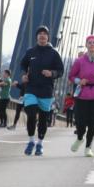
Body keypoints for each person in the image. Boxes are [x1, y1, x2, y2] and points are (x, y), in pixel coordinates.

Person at [19, 25, 64, 156]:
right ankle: (31, 141)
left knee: (43, 119)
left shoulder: (54, 53)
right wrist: (24, 74)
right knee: (31, 114)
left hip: (46, 90)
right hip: (31, 88)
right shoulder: (30, 52)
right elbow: (22, 64)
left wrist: (51, 73)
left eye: (45, 34)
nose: (42, 35)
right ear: (37, 37)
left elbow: (60, 71)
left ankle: (39, 143)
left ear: (48, 37)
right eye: (40, 34)